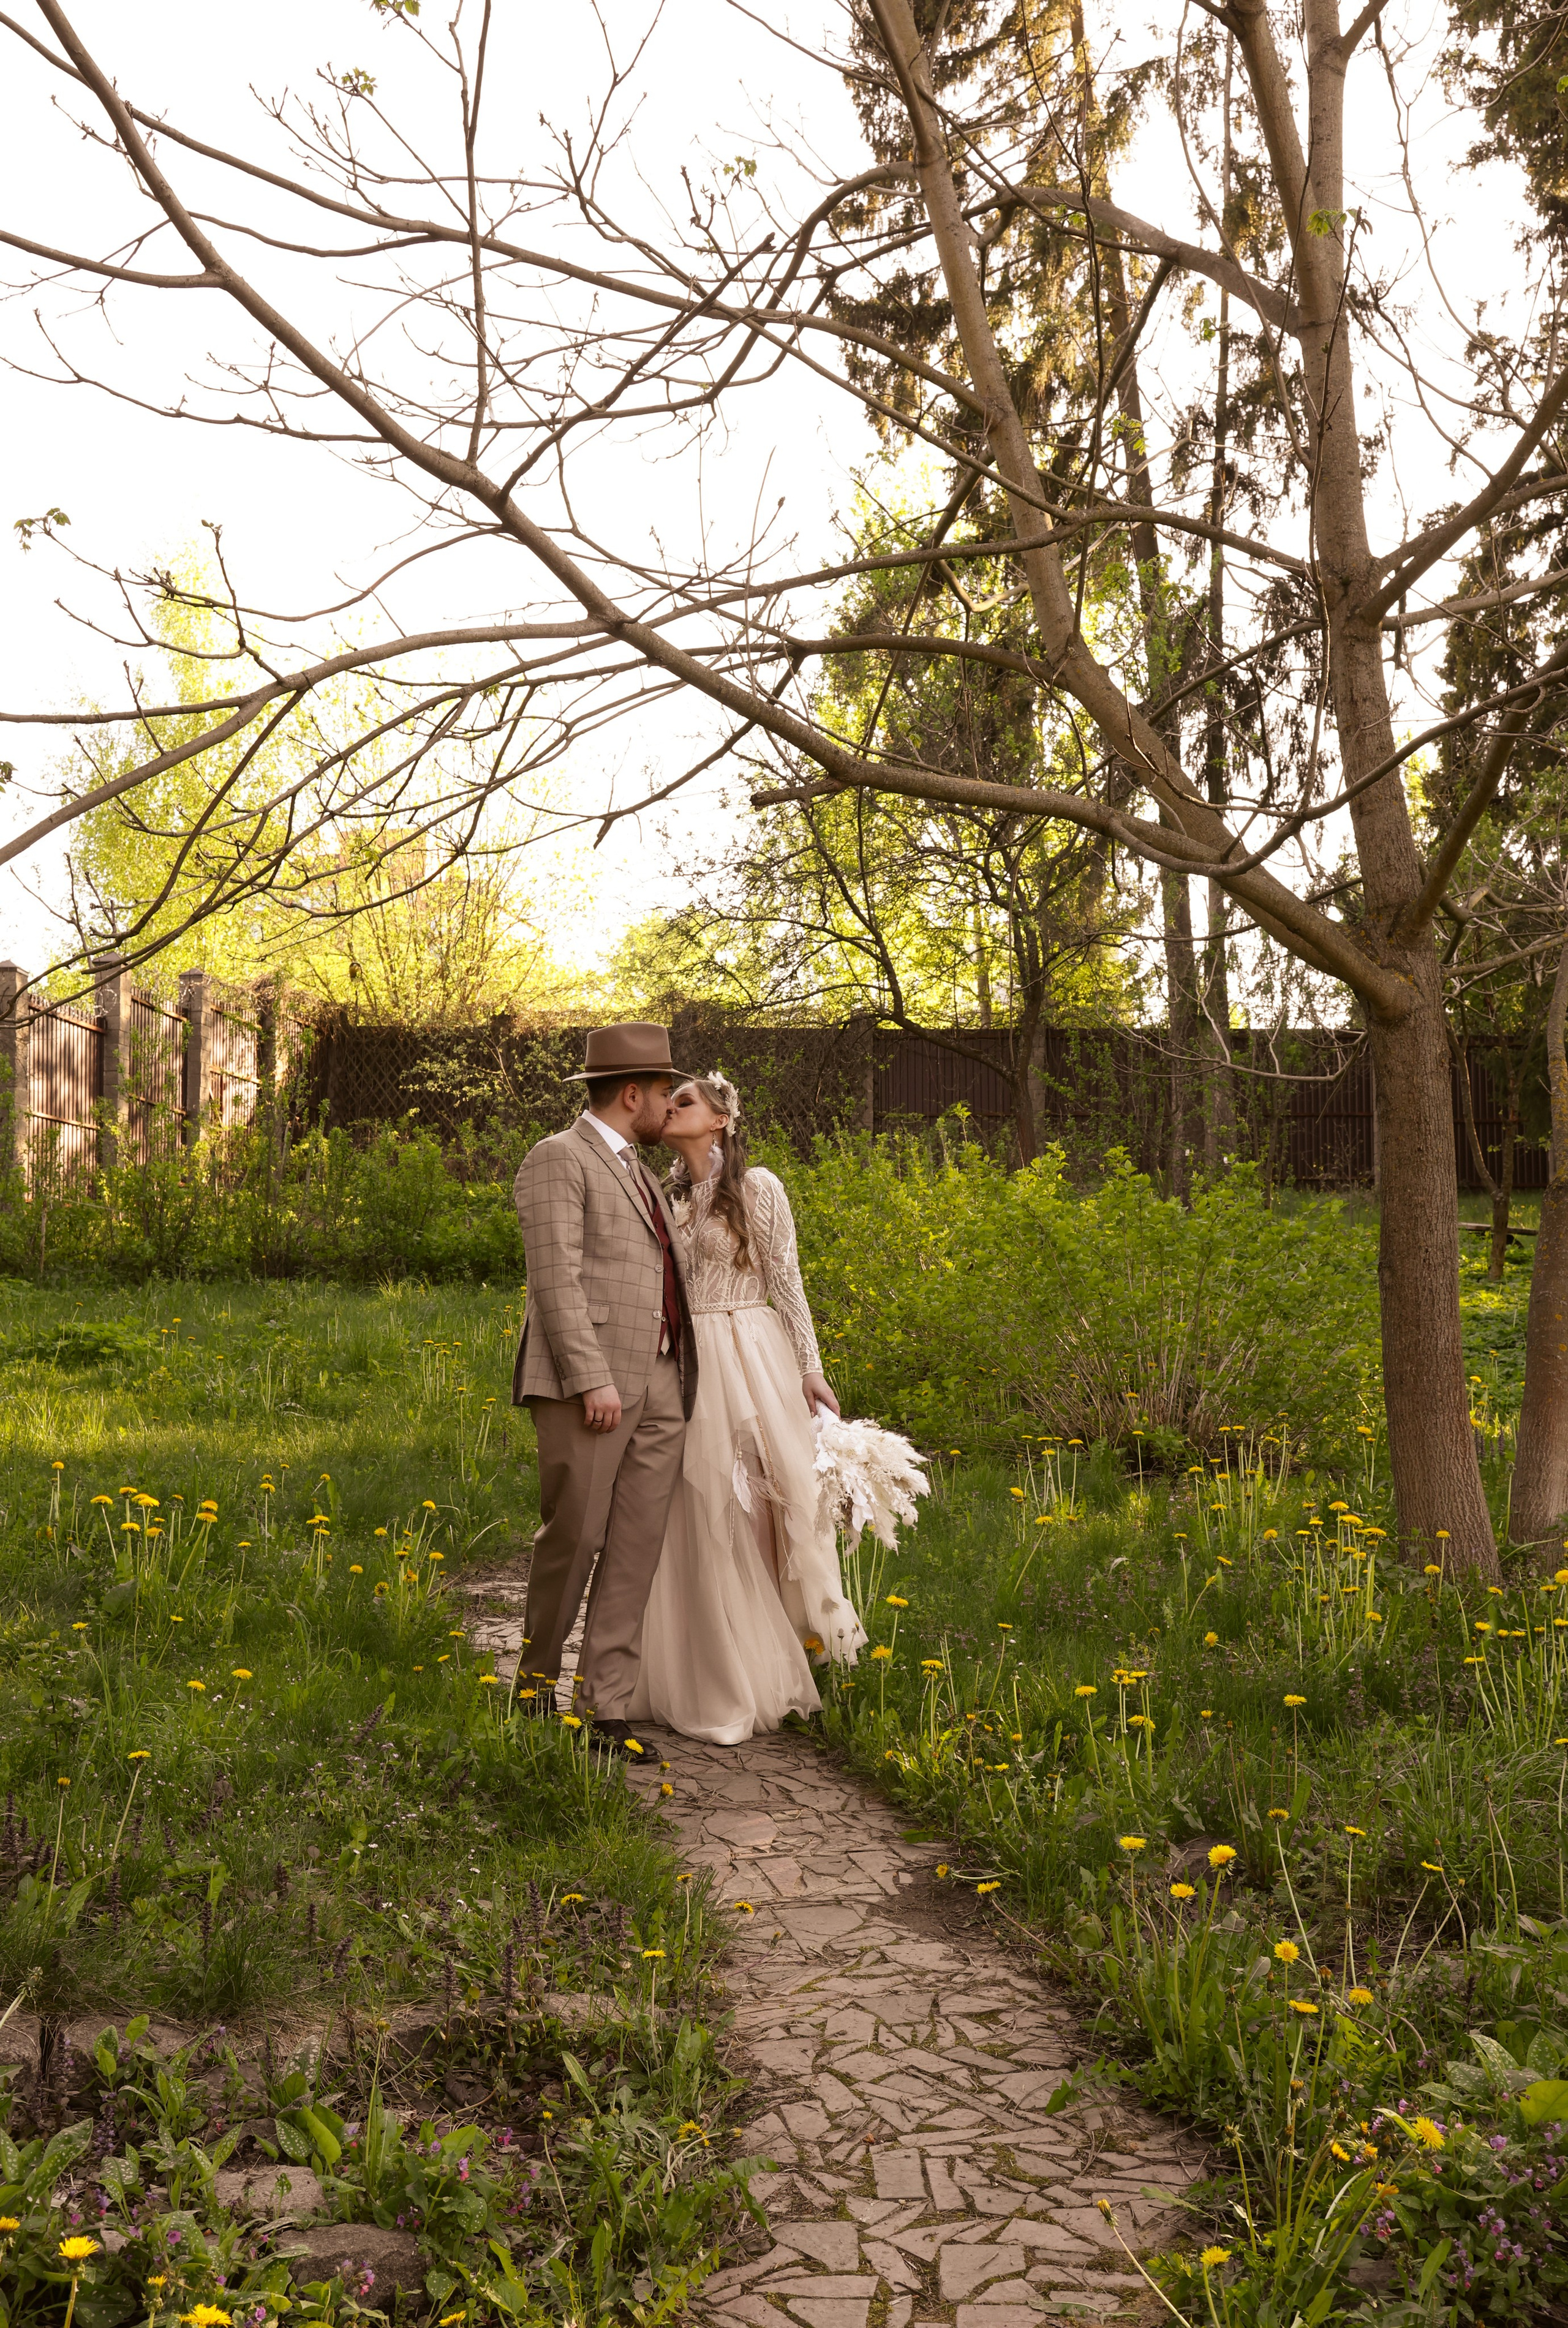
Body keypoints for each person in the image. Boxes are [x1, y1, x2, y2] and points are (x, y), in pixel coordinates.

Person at [628, 1071, 867, 1744]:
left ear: (720, 1120)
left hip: (749, 1348)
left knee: (760, 1503)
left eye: (684, 1102)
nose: (669, 1109)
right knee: (694, 1506)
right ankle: (710, 1661)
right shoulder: (663, 1194)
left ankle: (777, 1654)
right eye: (667, 1102)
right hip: (685, 1357)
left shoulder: (758, 1188)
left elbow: (786, 1281)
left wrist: (811, 1370)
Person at [510, 1022, 698, 1746]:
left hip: (660, 1381)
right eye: (661, 1094)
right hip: (587, 1385)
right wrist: (592, 1379)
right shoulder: (558, 1159)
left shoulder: (642, 1173)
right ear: (630, 1094)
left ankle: (604, 1708)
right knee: (576, 1537)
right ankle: (532, 1692)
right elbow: (553, 1276)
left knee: (634, 1547)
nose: (667, 1106)